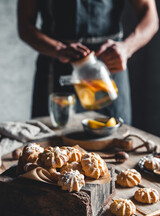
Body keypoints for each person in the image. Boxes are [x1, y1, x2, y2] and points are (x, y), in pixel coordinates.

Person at [17, 0, 159, 124]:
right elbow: (25, 25)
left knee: (116, 141)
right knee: (50, 146)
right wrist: (58, 49)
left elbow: (150, 17)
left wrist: (126, 48)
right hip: (55, 70)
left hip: (109, 68)